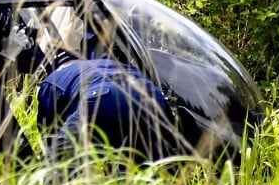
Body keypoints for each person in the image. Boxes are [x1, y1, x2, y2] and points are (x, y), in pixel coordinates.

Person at [36, 58, 177, 162]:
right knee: (148, 169)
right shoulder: (106, 63)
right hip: (149, 94)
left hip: (102, 96)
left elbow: (49, 133)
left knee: (55, 166)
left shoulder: (52, 80)